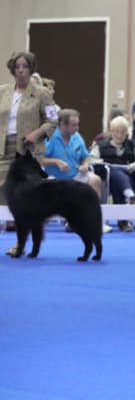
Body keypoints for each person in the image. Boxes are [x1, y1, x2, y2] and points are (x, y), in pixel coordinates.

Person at [1, 51, 58, 255]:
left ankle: (21, 244)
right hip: (3, 150)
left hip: (28, 154)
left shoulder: (42, 93)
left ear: (31, 68)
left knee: (23, 202)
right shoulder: (3, 91)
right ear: (12, 69)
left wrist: (37, 133)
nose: (21, 70)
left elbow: (53, 120)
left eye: (25, 66)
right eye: (17, 66)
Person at [40, 108, 111, 233]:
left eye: (77, 124)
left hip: (75, 176)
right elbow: (40, 159)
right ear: (63, 125)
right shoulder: (50, 138)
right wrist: (56, 161)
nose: (77, 127)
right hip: (55, 179)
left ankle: (96, 222)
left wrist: (84, 165)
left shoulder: (77, 137)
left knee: (95, 180)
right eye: (74, 125)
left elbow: (85, 157)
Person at [90, 115, 135, 232]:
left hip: (130, 178)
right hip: (105, 181)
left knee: (116, 178)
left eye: (123, 132)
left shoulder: (133, 145)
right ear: (111, 132)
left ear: (127, 132)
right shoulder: (101, 146)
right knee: (113, 171)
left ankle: (125, 215)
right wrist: (97, 161)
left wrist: (133, 166)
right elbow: (90, 160)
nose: (119, 135)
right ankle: (130, 201)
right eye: (116, 131)